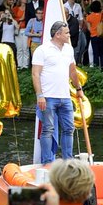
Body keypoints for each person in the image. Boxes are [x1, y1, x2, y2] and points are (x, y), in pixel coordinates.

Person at [31, 20, 84, 164]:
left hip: (65, 97)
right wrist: (40, 95)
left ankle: (68, 161)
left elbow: (72, 71)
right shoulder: (42, 50)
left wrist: (78, 89)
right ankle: (47, 162)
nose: (69, 35)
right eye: (67, 33)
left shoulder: (69, 49)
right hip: (48, 97)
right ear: (57, 34)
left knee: (69, 129)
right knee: (48, 129)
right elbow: (35, 74)